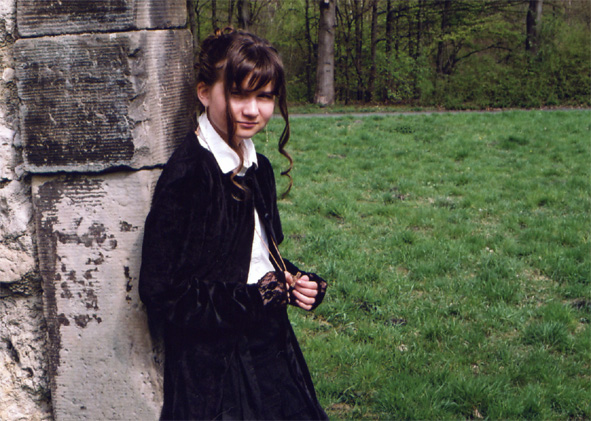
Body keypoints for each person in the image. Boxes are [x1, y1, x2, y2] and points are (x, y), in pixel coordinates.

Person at [139, 28, 328, 420]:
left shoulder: (259, 168)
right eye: (239, 94)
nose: (252, 110)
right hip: (215, 369)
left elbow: (254, 254)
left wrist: (294, 281)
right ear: (204, 92)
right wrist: (252, 299)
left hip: (270, 347)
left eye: (265, 97)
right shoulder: (189, 176)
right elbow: (162, 293)